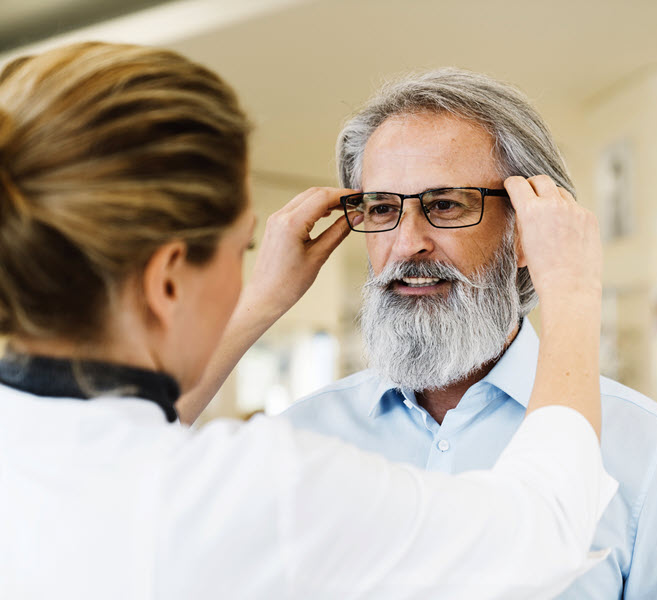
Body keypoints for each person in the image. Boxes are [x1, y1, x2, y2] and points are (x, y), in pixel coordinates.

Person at [0, 43, 620, 600]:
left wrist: (259, 305)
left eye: (446, 205)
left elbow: (131, 441)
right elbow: (542, 531)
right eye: (244, 250)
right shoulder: (269, 483)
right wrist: (571, 292)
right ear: (167, 281)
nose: (406, 242)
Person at [182, 68, 657, 599]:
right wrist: (258, 303)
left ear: (526, 232)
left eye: (445, 205)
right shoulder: (299, 437)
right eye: (380, 208)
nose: (407, 243)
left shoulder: (647, 447)